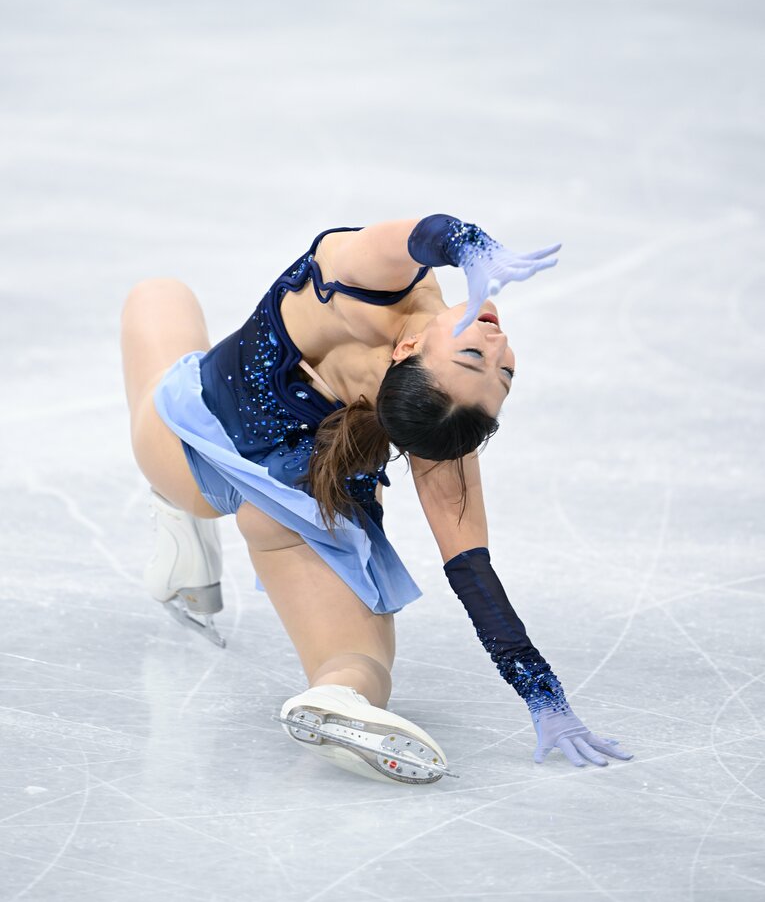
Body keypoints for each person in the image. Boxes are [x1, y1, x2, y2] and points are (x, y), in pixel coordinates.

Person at [120, 214, 634, 785]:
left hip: (187, 455)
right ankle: (338, 691)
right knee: (361, 662)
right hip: (299, 505)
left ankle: (186, 537)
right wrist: (543, 698)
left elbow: (470, 569)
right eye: (488, 361)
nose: (498, 343)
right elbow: (419, 237)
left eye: (498, 370)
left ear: (411, 347)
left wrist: (546, 695)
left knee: (159, 296)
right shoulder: (425, 395)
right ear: (407, 348)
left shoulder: (399, 354)